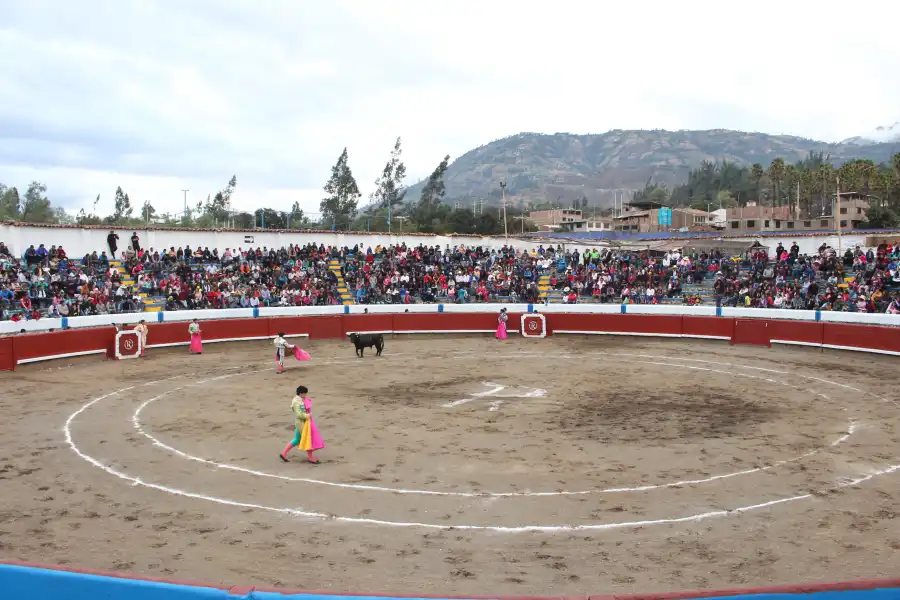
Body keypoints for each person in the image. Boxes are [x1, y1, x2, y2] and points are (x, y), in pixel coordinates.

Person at [280, 385, 324, 464]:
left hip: (302, 422)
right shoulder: (296, 401)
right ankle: (310, 457)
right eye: (304, 394)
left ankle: (283, 453)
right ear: (301, 393)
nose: (305, 396)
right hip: (301, 423)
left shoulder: (299, 400)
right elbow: (298, 414)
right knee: (308, 439)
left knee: (297, 439)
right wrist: (308, 415)